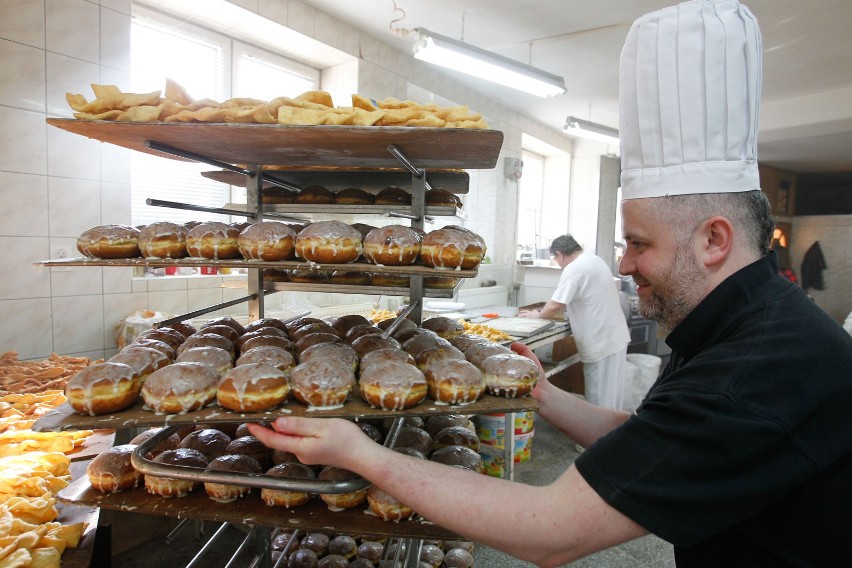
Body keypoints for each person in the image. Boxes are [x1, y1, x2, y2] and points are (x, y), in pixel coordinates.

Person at [249, 1, 852, 566]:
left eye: (638, 244)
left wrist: (364, 457)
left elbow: (550, 527)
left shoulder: (758, 368)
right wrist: (544, 395)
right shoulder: (735, 327)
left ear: (714, 240)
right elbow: (650, 441)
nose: (623, 264)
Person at [518, 234, 630, 410]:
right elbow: (584, 297)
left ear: (560, 254)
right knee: (613, 396)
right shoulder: (594, 260)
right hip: (615, 338)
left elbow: (556, 304)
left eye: (556, 259)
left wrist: (537, 315)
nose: (558, 263)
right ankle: (613, 433)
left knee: (599, 401)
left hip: (601, 341)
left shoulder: (575, 268)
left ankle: (599, 435)